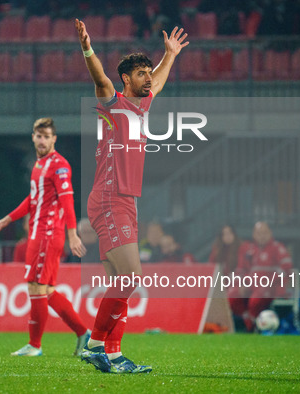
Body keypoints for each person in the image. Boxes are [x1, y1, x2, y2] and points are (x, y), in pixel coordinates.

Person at [75, 18, 188, 373]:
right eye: (142, 73)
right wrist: (88, 49)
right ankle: (94, 343)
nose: (148, 77)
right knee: (131, 277)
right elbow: (100, 78)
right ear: (127, 79)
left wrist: (169, 55)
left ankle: (114, 354)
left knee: (119, 283)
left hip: (126, 200)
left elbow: (161, 79)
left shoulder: (141, 107)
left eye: (148, 72)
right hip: (110, 198)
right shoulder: (114, 103)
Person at [0, 117, 90, 357]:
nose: (42, 140)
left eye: (47, 136)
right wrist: (8, 218)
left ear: (54, 139)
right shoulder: (38, 165)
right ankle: (83, 334)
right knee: (45, 290)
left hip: (48, 234)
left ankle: (35, 345)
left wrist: (72, 234)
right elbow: (34, 198)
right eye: (39, 136)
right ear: (33, 137)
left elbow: (67, 200)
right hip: (38, 233)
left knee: (36, 286)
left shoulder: (59, 165)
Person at [228, 221, 293, 332]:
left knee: (256, 299)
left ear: (270, 233)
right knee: (232, 295)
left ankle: (255, 327)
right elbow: (241, 270)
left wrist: (270, 281)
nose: (261, 236)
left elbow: (286, 268)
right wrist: (241, 284)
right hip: (252, 286)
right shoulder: (249, 250)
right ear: (253, 235)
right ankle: (249, 322)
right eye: (258, 233)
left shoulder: (277, 248)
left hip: (272, 287)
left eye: (264, 233)